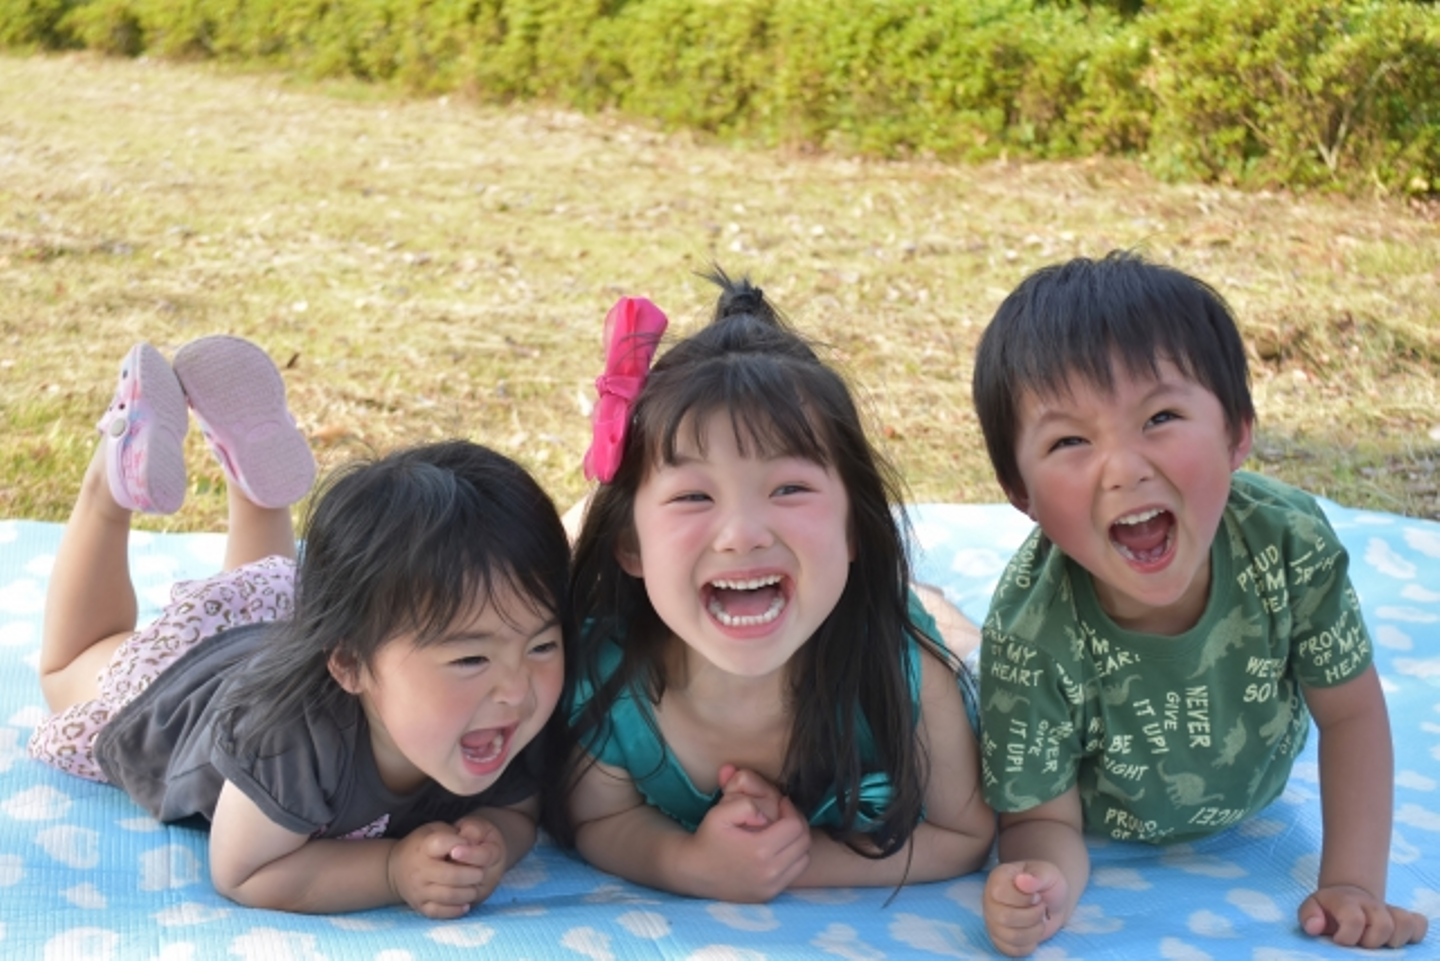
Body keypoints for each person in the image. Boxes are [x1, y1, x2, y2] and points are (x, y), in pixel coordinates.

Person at [971, 251, 1429, 955]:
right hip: (1106, 825)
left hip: (1261, 791)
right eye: (1069, 440)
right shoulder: (1027, 635)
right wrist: (1041, 886)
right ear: (1019, 491)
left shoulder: (1289, 544)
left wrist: (1353, 884)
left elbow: (1352, 714)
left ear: (1237, 432)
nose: (1124, 468)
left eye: (1160, 416)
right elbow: (1044, 821)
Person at [30, 336, 571, 917]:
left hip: (282, 621)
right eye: (471, 659)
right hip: (183, 682)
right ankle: (107, 487)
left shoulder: (504, 716)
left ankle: (251, 472)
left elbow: (517, 808)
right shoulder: (289, 742)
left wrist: (493, 841)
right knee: (70, 666)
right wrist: (393, 870)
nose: (517, 688)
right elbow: (244, 871)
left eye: (542, 644)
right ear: (351, 665)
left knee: (276, 590)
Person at [560, 270, 994, 902]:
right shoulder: (609, 684)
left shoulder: (908, 672)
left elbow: (964, 833)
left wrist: (793, 861)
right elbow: (600, 819)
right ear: (629, 545)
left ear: (855, 528)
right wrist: (688, 864)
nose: (742, 534)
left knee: (947, 626)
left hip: (868, 610)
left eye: (789, 488)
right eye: (692, 496)